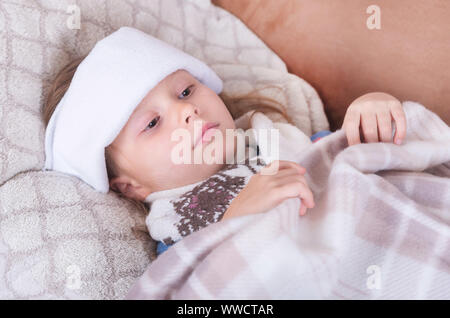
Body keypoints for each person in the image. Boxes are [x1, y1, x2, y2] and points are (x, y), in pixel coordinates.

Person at [42, 27, 406, 256]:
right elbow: (193, 289)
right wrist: (236, 220)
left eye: (185, 90)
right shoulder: (175, 232)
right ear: (131, 187)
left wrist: (372, 111)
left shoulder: (276, 139)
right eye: (152, 123)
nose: (187, 111)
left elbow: (352, 157)